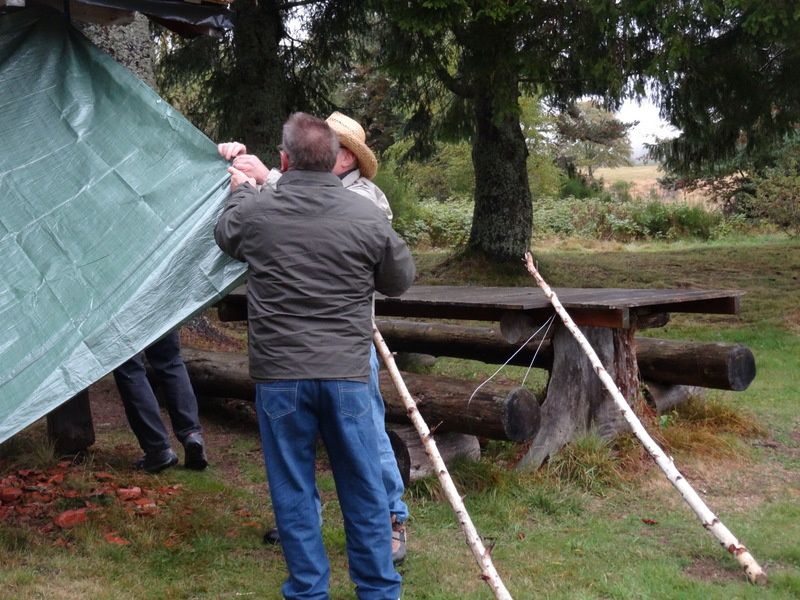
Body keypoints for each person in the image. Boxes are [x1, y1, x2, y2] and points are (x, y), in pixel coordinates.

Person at [215, 112, 414, 600]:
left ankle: (307, 591)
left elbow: (226, 233)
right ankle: (378, 591)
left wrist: (241, 189)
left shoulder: (257, 211)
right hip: (347, 374)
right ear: (334, 160)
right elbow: (399, 280)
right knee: (364, 488)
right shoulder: (367, 215)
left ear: (284, 160)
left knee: (293, 489)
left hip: (280, 378)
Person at [113, 330, 208, 473]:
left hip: (120, 312)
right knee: (170, 361)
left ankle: (158, 449)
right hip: (158, 308)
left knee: (128, 367)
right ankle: (192, 435)